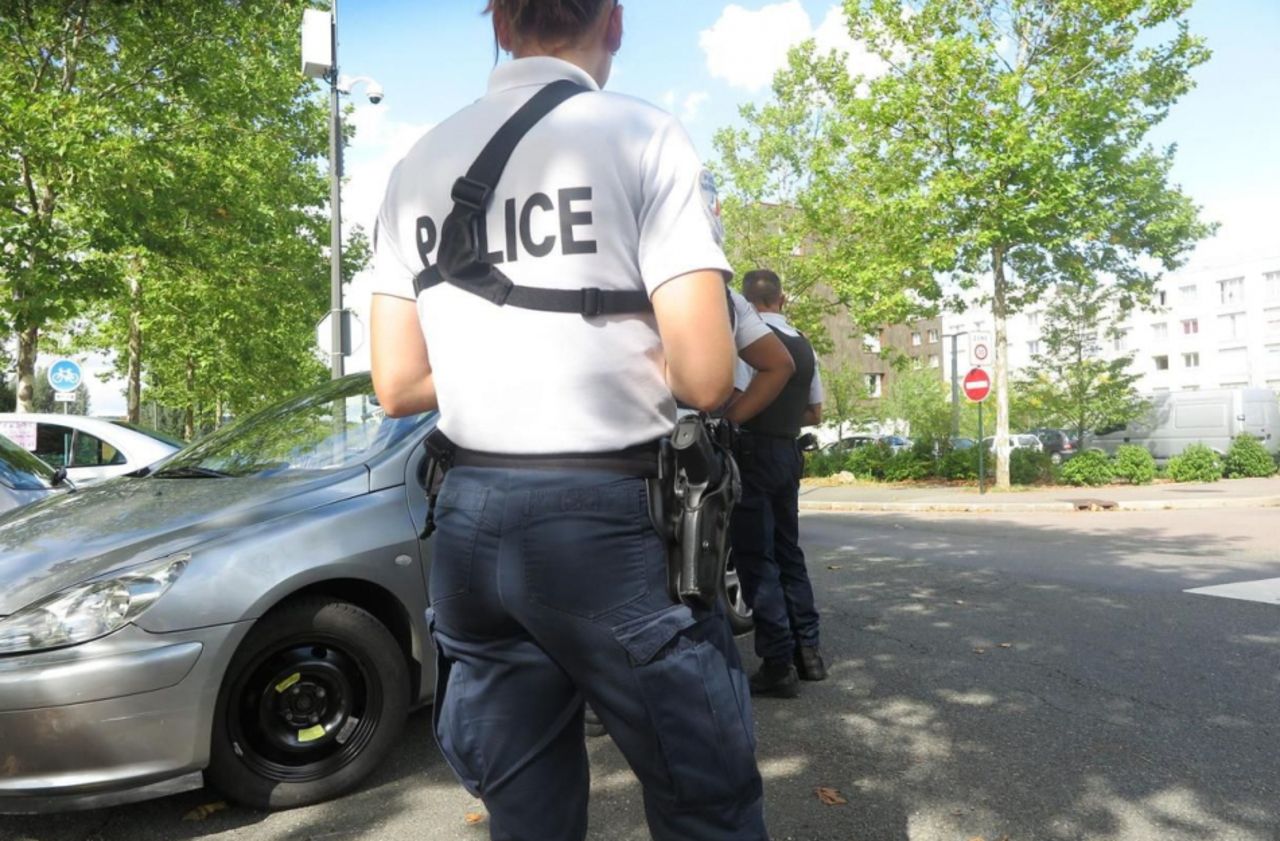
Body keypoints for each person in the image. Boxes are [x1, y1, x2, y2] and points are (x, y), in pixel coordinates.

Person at [368, 3, 769, 840]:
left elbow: (398, 384)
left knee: (527, 813)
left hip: (470, 520)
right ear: (614, 22)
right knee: (707, 798)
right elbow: (703, 376)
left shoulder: (414, 164)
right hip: (611, 525)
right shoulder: (640, 135)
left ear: (499, 24)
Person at [729, 269, 826, 698]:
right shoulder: (805, 345)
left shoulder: (744, 340)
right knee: (789, 551)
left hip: (750, 454)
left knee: (756, 556)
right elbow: (815, 413)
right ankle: (809, 652)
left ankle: (777, 664)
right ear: (782, 299)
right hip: (790, 453)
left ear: (748, 302)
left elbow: (729, 394)